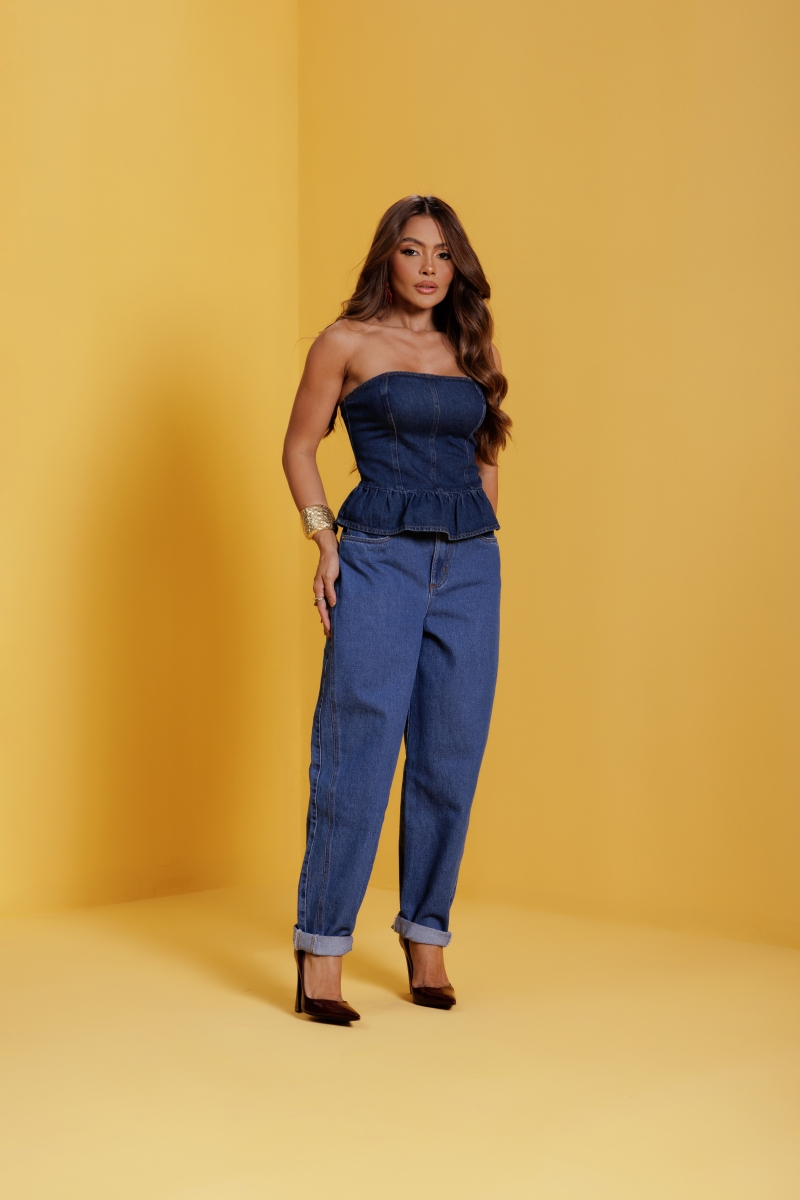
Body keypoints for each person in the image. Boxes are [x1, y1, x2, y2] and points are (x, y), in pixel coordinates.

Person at [282, 195, 511, 1023]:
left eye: (443, 255)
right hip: (378, 556)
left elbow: (486, 454)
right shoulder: (344, 342)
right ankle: (322, 949)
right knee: (358, 751)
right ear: (388, 257)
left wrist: (483, 540)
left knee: (451, 753)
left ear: (458, 267)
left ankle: (426, 937)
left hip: (469, 565)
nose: (428, 268)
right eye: (413, 251)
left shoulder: (470, 347)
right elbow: (299, 446)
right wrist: (324, 541)